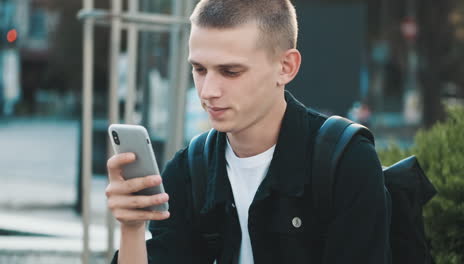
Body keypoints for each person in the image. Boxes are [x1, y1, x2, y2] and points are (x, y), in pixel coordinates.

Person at [106, 0, 391, 263]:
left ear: (286, 66)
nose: (208, 91)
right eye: (199, 69)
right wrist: (131, 228)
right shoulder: (191, 170)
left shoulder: (346, 162)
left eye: (230, 72)